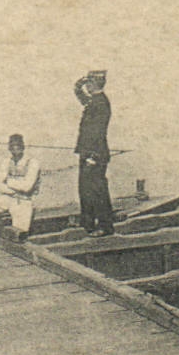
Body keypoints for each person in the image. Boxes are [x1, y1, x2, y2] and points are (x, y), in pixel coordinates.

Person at [75, 70, 115, 236]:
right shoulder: (94, 101)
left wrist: (93, 157)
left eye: (88, 83)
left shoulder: (101, 103)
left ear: (94, 84)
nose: (87, 87)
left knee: (97, 190)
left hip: (95, 154)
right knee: (85, 189)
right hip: (87, 152)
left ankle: (105, 226)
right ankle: (88, 223)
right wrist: (78, 86)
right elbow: (81, 97)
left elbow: (98, 132)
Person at [0, 133, 41, 234]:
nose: (15, 149)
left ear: (23, 147)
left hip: (25, 200)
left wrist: (8, 181)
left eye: (18, 146)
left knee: (19, 231)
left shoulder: (32, 162)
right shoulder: (7, 162)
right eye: (12, 146)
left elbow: (27, 187)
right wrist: (13, 191)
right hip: (9, 197)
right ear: (9, 148)